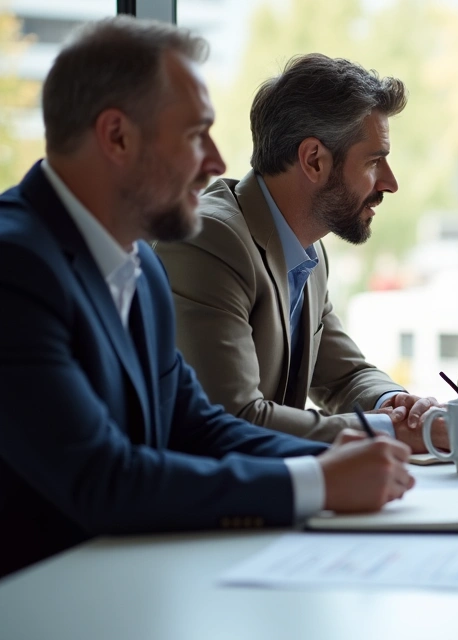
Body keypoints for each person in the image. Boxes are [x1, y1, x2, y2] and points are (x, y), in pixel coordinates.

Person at [0, 17, 412, 578]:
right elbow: (102, 478)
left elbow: (197, 425)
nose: (218, 162)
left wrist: (349, 456)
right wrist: (317, 480)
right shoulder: (15, 266)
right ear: (117, 137)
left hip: (122, 581)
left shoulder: (139, 263)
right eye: (196, 135)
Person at [155, 53, 447, 452]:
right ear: (313, 160)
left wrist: (396, 405)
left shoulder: (307, 249)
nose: (391, 183)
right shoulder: (210, 239)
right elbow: (234, 418)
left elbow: (344, 376)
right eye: (375, 161)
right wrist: (388, 431)